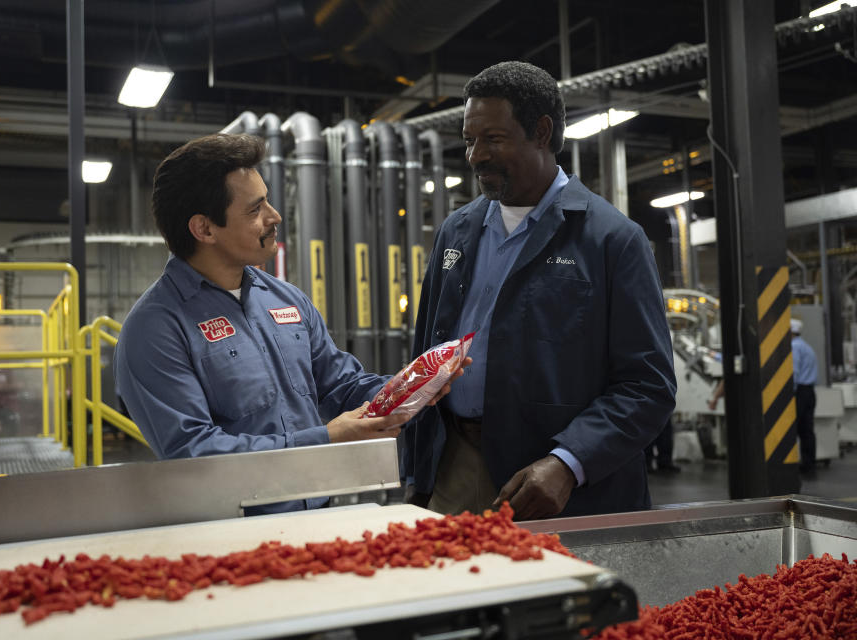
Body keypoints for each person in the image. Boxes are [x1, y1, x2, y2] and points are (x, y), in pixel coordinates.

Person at [114, 133, 466, 515]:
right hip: (228, 534)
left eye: (267, 199)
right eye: (255, 209)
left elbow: (341, 385)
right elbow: (194, 453)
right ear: (205, 229)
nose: (274, 216)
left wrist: (411, 386)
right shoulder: (155, 329)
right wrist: (325, 438)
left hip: (316, 512)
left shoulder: (285, 299)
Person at [403, 61, 676, 520]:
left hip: (548, 484)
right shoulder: (457, 231)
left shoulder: (611, 240)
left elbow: (648, 386)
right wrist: (416, 465)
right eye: (470, 140)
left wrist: (568, 463)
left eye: (493, 139)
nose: (475, 156)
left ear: (542, 132)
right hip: (452, 465)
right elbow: (426, 351)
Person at [790, 318, 818, 475]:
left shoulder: (794, 347)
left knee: (793, 428)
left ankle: (790, 462)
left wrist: (789, 393)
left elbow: (794, 371)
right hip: (810, 392)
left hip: (799, 392)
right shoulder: (807, 347)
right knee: (807, 430)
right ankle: (809, 463)